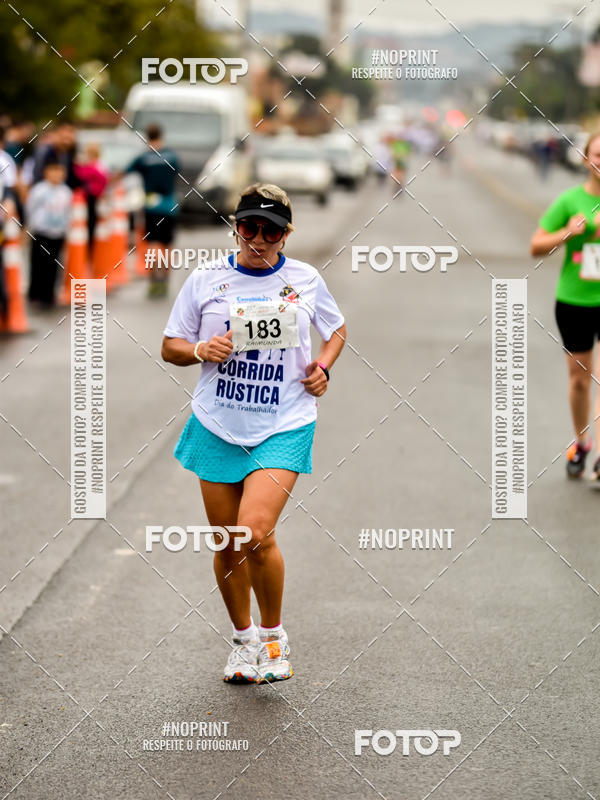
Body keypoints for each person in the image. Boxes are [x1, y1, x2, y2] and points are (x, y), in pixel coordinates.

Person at [161, 183, 346, 683]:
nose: (259, 238)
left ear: (286, 235)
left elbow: (337, 330)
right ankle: (242, 641)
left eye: (271, 230)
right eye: (249, 227)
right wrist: (201, 350)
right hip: (218, 422)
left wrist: (323, 368)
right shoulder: (206, 279)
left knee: (254, 532)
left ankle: (273, 637)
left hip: (284, 423)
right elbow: (170, 345)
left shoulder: (305, 279)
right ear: (236, 227)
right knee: (226, 541)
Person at [530, 130, 600, 483]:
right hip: (575, 301)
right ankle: (582, 442)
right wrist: (569, 234)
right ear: (587, 160)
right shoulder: (569, 200)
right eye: (598, 155)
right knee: (580, 380)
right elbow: (536, 245)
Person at [124, 124, 179, 298]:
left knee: (153, 244)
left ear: (147, 136)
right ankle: (165, 279)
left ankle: (154, 279)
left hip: (151, 206)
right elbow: (177, 173)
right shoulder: (172, 157)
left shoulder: (144, 158)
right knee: (167, 245)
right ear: (161, 135)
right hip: (170, 205)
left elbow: (126, 172)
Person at [25, 160, 72, 308]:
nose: (57, 175)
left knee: (54, 264)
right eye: (53, 171)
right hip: (41, 232)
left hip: (58, 233)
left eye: (60, 172)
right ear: (46, 173)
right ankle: (35, 294)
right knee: (38, 264)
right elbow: (30, 209)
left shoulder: (65, 192)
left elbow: (68, 212)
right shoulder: (39, 190)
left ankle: (49, 294)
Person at [73, 142, 108, 247]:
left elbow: (82, 174)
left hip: (92, 196)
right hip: (93, 196)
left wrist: (76, 165)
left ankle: (90, 244)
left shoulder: (95, 166)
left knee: (90, 221)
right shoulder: (99, 165)